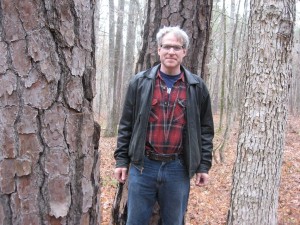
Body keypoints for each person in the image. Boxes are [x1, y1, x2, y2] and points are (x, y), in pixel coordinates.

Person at [114, 26, 214, 225]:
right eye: (166, 46)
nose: (171, 52)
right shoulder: (139, 83)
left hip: (178, 168)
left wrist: (203, 166)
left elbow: (205, 130)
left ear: (184, 52)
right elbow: (126, 125)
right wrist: (121, 161)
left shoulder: (196, 86)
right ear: (158, 50)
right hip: (143, 167)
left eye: (177, 48)